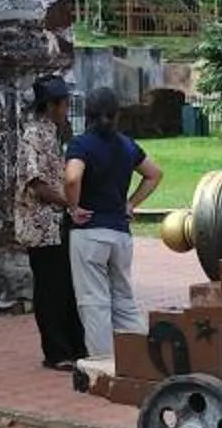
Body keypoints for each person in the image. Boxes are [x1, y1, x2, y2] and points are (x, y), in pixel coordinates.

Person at [65, 86, 163, 365]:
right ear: (117, 114)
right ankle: (144, 359)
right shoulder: (126, 145)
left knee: (93, 301)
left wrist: (74, 207)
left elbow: (72, 178)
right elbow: (154, 174)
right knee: (124, 299)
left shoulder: (81, 145)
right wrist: (130, 204)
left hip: (90, 232)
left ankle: (103, 362)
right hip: (120, 233)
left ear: (88, 114)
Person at [18, 76, 88, 370]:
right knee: (49, 289)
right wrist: (69, 203)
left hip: (57, 222)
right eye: (63, 103)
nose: (66, 108)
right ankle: (56, 351)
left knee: (65, 285)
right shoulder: (34, 135)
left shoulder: (54, 133)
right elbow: (37, 184)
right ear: (52, 105)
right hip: (40, 223)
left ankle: (73, 346)